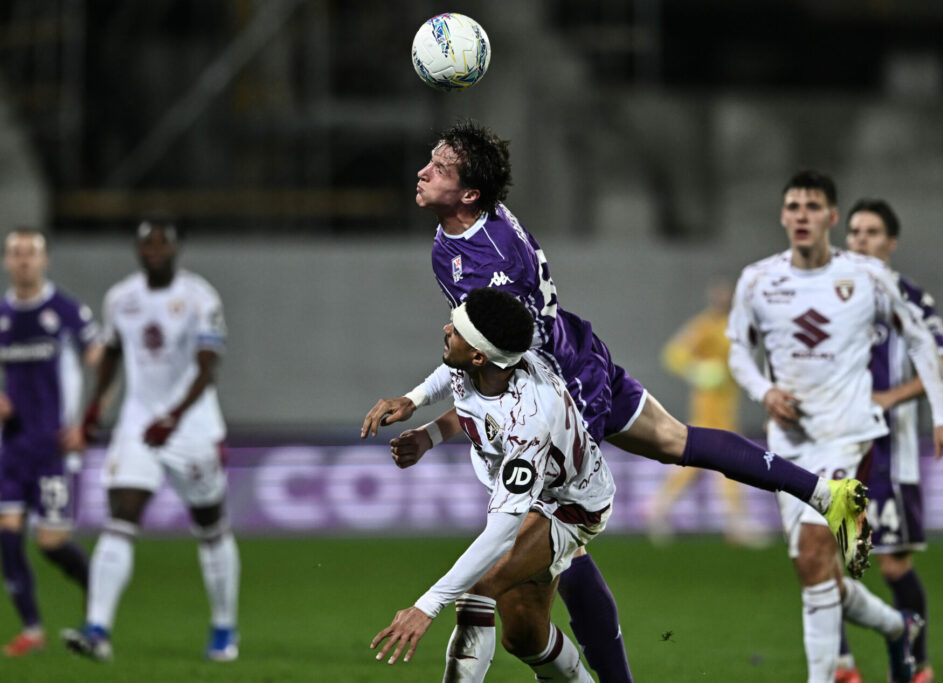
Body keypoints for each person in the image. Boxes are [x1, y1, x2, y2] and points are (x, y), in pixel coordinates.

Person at [363, 122, 870, 681]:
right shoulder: (456, 237)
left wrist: (425, 409)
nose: (422, 172)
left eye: (439, 168)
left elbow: (489, 355)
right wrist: (425, 418)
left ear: (469, 194)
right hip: (577, 347)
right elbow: (477, 351)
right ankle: (825, 494)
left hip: (560, 388)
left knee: (547, 549)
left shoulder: (488, 263)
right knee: (676, 441)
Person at [726, 171, 943, 683]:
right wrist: (764, 391)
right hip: (789, 443)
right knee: (817, 571)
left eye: (813, 206)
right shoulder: (758, 280)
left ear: (831, 216)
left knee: (816, 552)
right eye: (793, 206)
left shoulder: (867, 277)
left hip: (849, 435)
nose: (802, 215)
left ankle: (829, 676)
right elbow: (738, 351)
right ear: (783, 215)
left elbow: (920, 340)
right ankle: (897, 627)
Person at [372, 287, 610, 681]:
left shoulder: (529, 422)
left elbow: (501, 534)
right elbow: (463, 389)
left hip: (567, 505)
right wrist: (422, 419)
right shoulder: (488, 363)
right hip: (533, 492)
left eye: (457, 330)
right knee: (525, 637)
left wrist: (426, 606)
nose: (446, 329)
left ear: (479, 356)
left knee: (477, 588)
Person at [61, 220, 240, 662]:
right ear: (137, 249)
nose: (154, 250)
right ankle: (97, 630)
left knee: (210, 525)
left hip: (192, 425)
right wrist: (93, 410)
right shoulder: (121, 298)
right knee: (120, 517)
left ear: (178, 248)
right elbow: (113, 354)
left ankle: (224, 628)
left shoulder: (200, 297)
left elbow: (207, 369)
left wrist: (174, 416)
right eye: (147, 243)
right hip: (138, 424)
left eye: (163, 243)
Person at [837, 198, 943, 683]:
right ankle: (842, 667)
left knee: (891, 566)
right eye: (854, 231)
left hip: (894, 454)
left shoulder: (909, 297)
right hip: (838, 447)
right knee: (824, 560)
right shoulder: (829, 293)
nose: (860, 240)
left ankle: (917, 665)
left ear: (891, 242)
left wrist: (892, 396)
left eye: (871, 232)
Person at [0, 229, 96, 656]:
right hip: (10, 449)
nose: (24, 260)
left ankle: (97, 594)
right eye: (16, 253)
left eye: (31, 253)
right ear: (7, 261)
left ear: (45, 260)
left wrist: (87, 423)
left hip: (52, 449)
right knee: (7, 535)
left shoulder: (66, 311)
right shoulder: (2, 315)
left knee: (51, 544)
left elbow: (103, 362)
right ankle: (32, 630)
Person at [648, 278, 767, 547]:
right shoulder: (703, 326)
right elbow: (674, 355)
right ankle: (736, 523)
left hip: (727, 407)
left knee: (694, 464)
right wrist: (698, 371)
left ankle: (658, 509)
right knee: (731, 460)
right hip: (708, 409)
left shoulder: (736, 327)